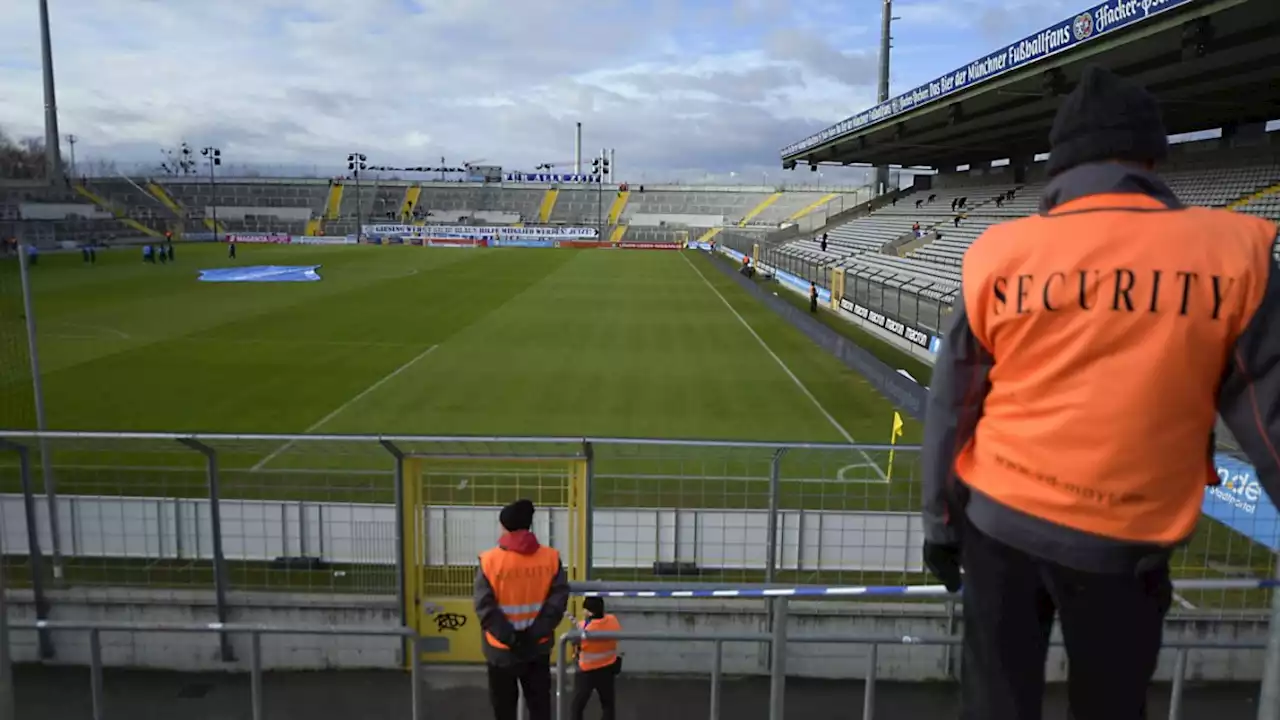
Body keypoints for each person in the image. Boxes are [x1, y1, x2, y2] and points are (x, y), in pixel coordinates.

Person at [920, 65, 1280, 720]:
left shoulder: (1002, 251)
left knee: (995, 706)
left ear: (1059, 166)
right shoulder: (1235, 254)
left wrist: (942, 523)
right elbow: (1272, 419)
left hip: (999, 525)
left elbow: (955, 402)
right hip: (1128, 545)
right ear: (1153, 157)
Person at [475, 499, 569, 720]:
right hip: (537, 648)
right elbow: (557, 601)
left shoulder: (489, 561)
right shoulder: (551, 558)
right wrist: (533, 634)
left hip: (500, 650)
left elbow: (484, 606)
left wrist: (511, 637)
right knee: (539, 708)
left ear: (505, 527)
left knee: (504, 710)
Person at [571, 597, 621, 720]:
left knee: (578, 705)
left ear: (590, 612)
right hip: (608, 667)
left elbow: (575, 642)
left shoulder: (584, 628)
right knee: (608, 704)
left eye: (585, 609)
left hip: (588, 671)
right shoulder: (612, 620)